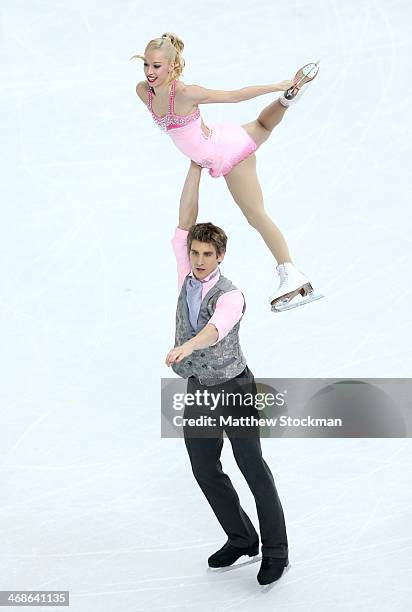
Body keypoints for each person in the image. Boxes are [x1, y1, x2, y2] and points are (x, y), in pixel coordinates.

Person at [131, 32, 323, 312]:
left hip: (224, 152)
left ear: (172, 66)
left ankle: (291, 272)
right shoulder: (142, 92)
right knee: (261, 126)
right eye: (146, 65)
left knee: (255, 214)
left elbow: (234, 96)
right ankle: (286, 101)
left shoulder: (186, 93)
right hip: (217, 142)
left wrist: (275, 84)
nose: (150, 72)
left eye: (157, 66)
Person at [165, 160, 289, 585]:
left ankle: (276, 550)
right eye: (194, 253)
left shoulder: (231, 294)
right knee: (204, 468)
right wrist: (196, 167)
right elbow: (186, 216)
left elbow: (216, 330)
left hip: (234, 386)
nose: (198, 260)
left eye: (206, 255)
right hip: (200, 388)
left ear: (220, 256)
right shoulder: (185, 275)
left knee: (252, 466)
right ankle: (241, 538)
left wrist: (186, 344)